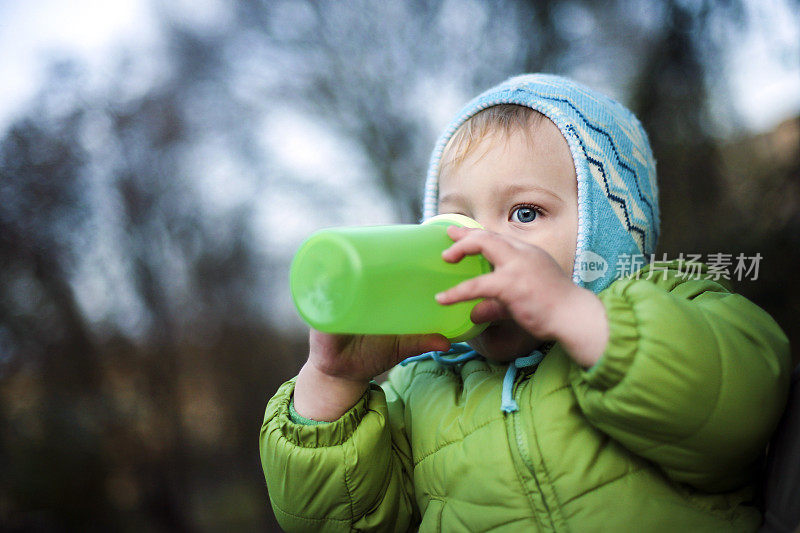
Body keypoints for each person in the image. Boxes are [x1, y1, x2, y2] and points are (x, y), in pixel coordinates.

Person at [259, 74, 792, 532]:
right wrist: (333, 381)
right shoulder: (417, 388)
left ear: (605, 230)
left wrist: (575, 313)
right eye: (454, 222)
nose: (479, 246)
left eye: (525, 214)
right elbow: (338, 518)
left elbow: (742, 408)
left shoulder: (671, 301)